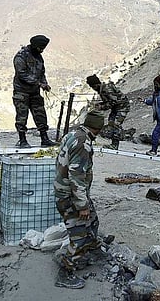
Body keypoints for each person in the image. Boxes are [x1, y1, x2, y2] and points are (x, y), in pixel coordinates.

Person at [54, 110, 105, 289]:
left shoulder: (73, 134)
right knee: (79, 235)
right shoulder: (83, 143)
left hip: (70, 193)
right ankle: (65, 272)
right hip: (71, 197)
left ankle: (93, 250)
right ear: (98, 128)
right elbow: (76, 175)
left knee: (92, 221)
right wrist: (82, 205)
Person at [13, 34, 58, 148]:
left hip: (35, 92)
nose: (41, 50)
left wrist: (45, 83)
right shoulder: (21, 56)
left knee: (40, 114)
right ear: (34, 45)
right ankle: (22, 140)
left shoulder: (38, 57)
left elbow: (41, 73)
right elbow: (22, 74)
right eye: (40, 48)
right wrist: (39, 83)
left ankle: (45, 138)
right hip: (21, 92)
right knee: (22, 116)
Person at [86, 74, 130, 150]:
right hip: (116, 108)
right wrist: (99, 105)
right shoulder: (102, 89)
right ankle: (113, 142)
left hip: (122, 107)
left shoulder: (107, 89)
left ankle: (115, 145)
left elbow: (113, 102)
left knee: (116, 124)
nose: (93, 89)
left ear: (96, 85)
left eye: (93, 87)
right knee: (111, 123)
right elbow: (109, 102)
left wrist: (101, 107)